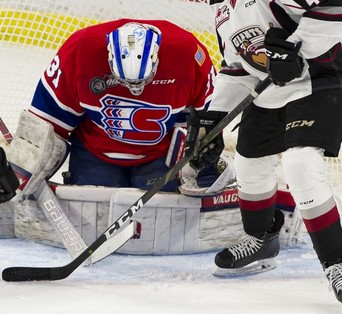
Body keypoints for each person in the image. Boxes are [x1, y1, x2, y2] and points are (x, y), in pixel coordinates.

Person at [186, 0, 342, 304]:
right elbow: (235, 70)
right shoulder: (221, 5)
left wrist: (294, 48)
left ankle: (334, 263)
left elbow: (337, 6)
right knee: (249, 164)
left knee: (300, 166)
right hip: (268, 95)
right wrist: (214, 121)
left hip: (317, 84)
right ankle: (261, 238)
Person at [10, 19, 216, 193]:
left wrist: (198, 162)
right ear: (108, 56)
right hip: (95, 153)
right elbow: (47, 124)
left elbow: (203, 127)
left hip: (160, 156)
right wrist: (19, 177)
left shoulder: (188, 55)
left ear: (157, 58)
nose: (135, 89)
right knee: (93, 211)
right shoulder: (80, 51)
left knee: (164, 214)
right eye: (125, 82)